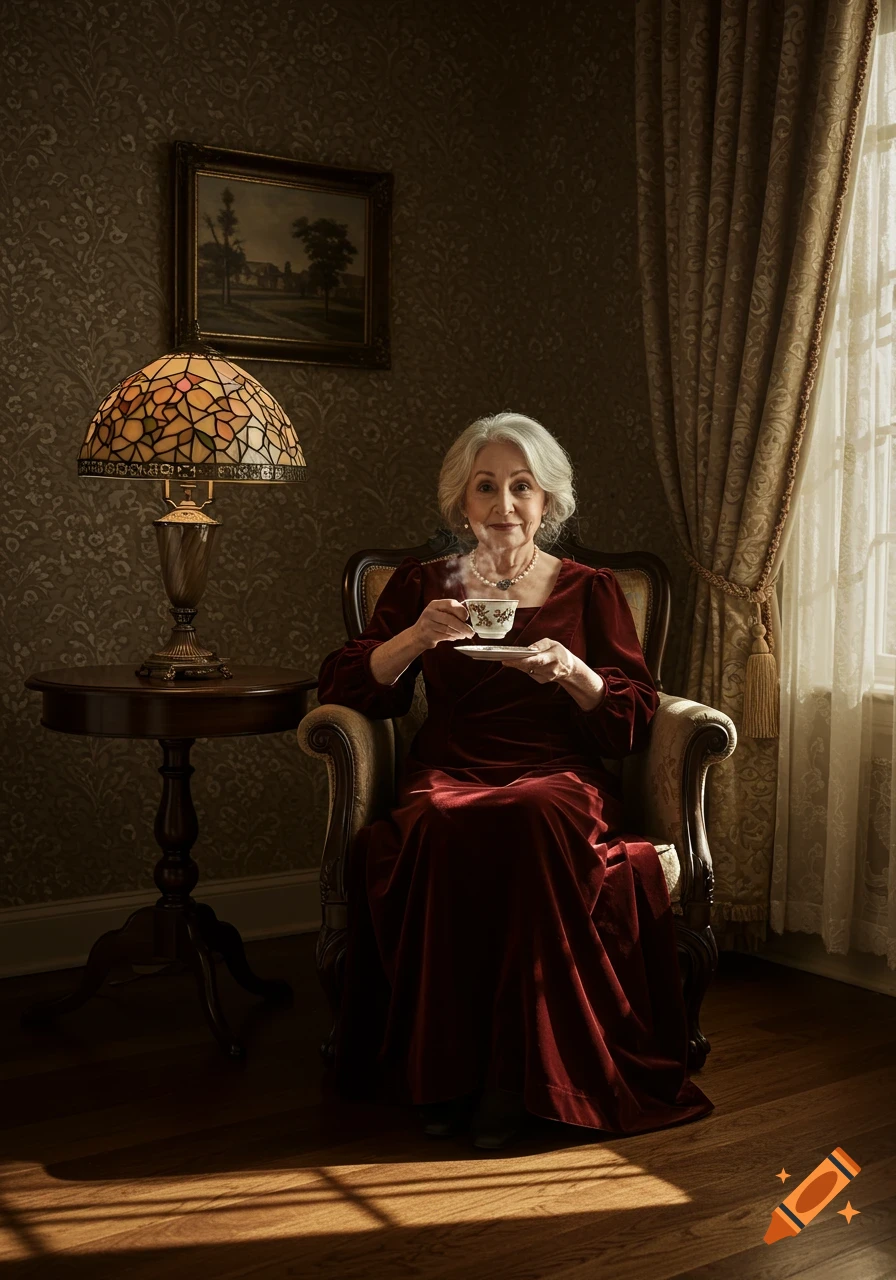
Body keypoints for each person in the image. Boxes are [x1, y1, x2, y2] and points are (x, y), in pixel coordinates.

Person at [317, 412, 713, 1150]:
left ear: (548, 502)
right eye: (486, 487)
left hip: (556, 769)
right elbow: (347, 686)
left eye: (521, 487)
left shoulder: (590, 590)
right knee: (435, 824)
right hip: (452, 764)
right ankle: (440, 1076)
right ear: (460, 504)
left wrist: (575, 672)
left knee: (535, 814)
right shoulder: (422, 585)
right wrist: (416, 636)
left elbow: (633, 713)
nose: (503, 505)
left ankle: (519, 1080)